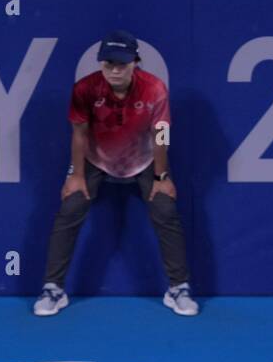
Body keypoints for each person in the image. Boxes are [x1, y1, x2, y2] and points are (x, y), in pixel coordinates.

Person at [34, 30, 196, 317]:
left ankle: (179, 288)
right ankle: (53, 289)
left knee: (165, 208)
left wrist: (161, 176)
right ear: (101, 64)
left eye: (122, 63)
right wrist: (76, 174)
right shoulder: (85, 89)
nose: (115, 70)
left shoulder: (154, 88)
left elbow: (161, 134)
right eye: (108, 63)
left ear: (136, 62)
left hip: (144, 160)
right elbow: (79, 134)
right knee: (70, 207)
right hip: (97, 159)